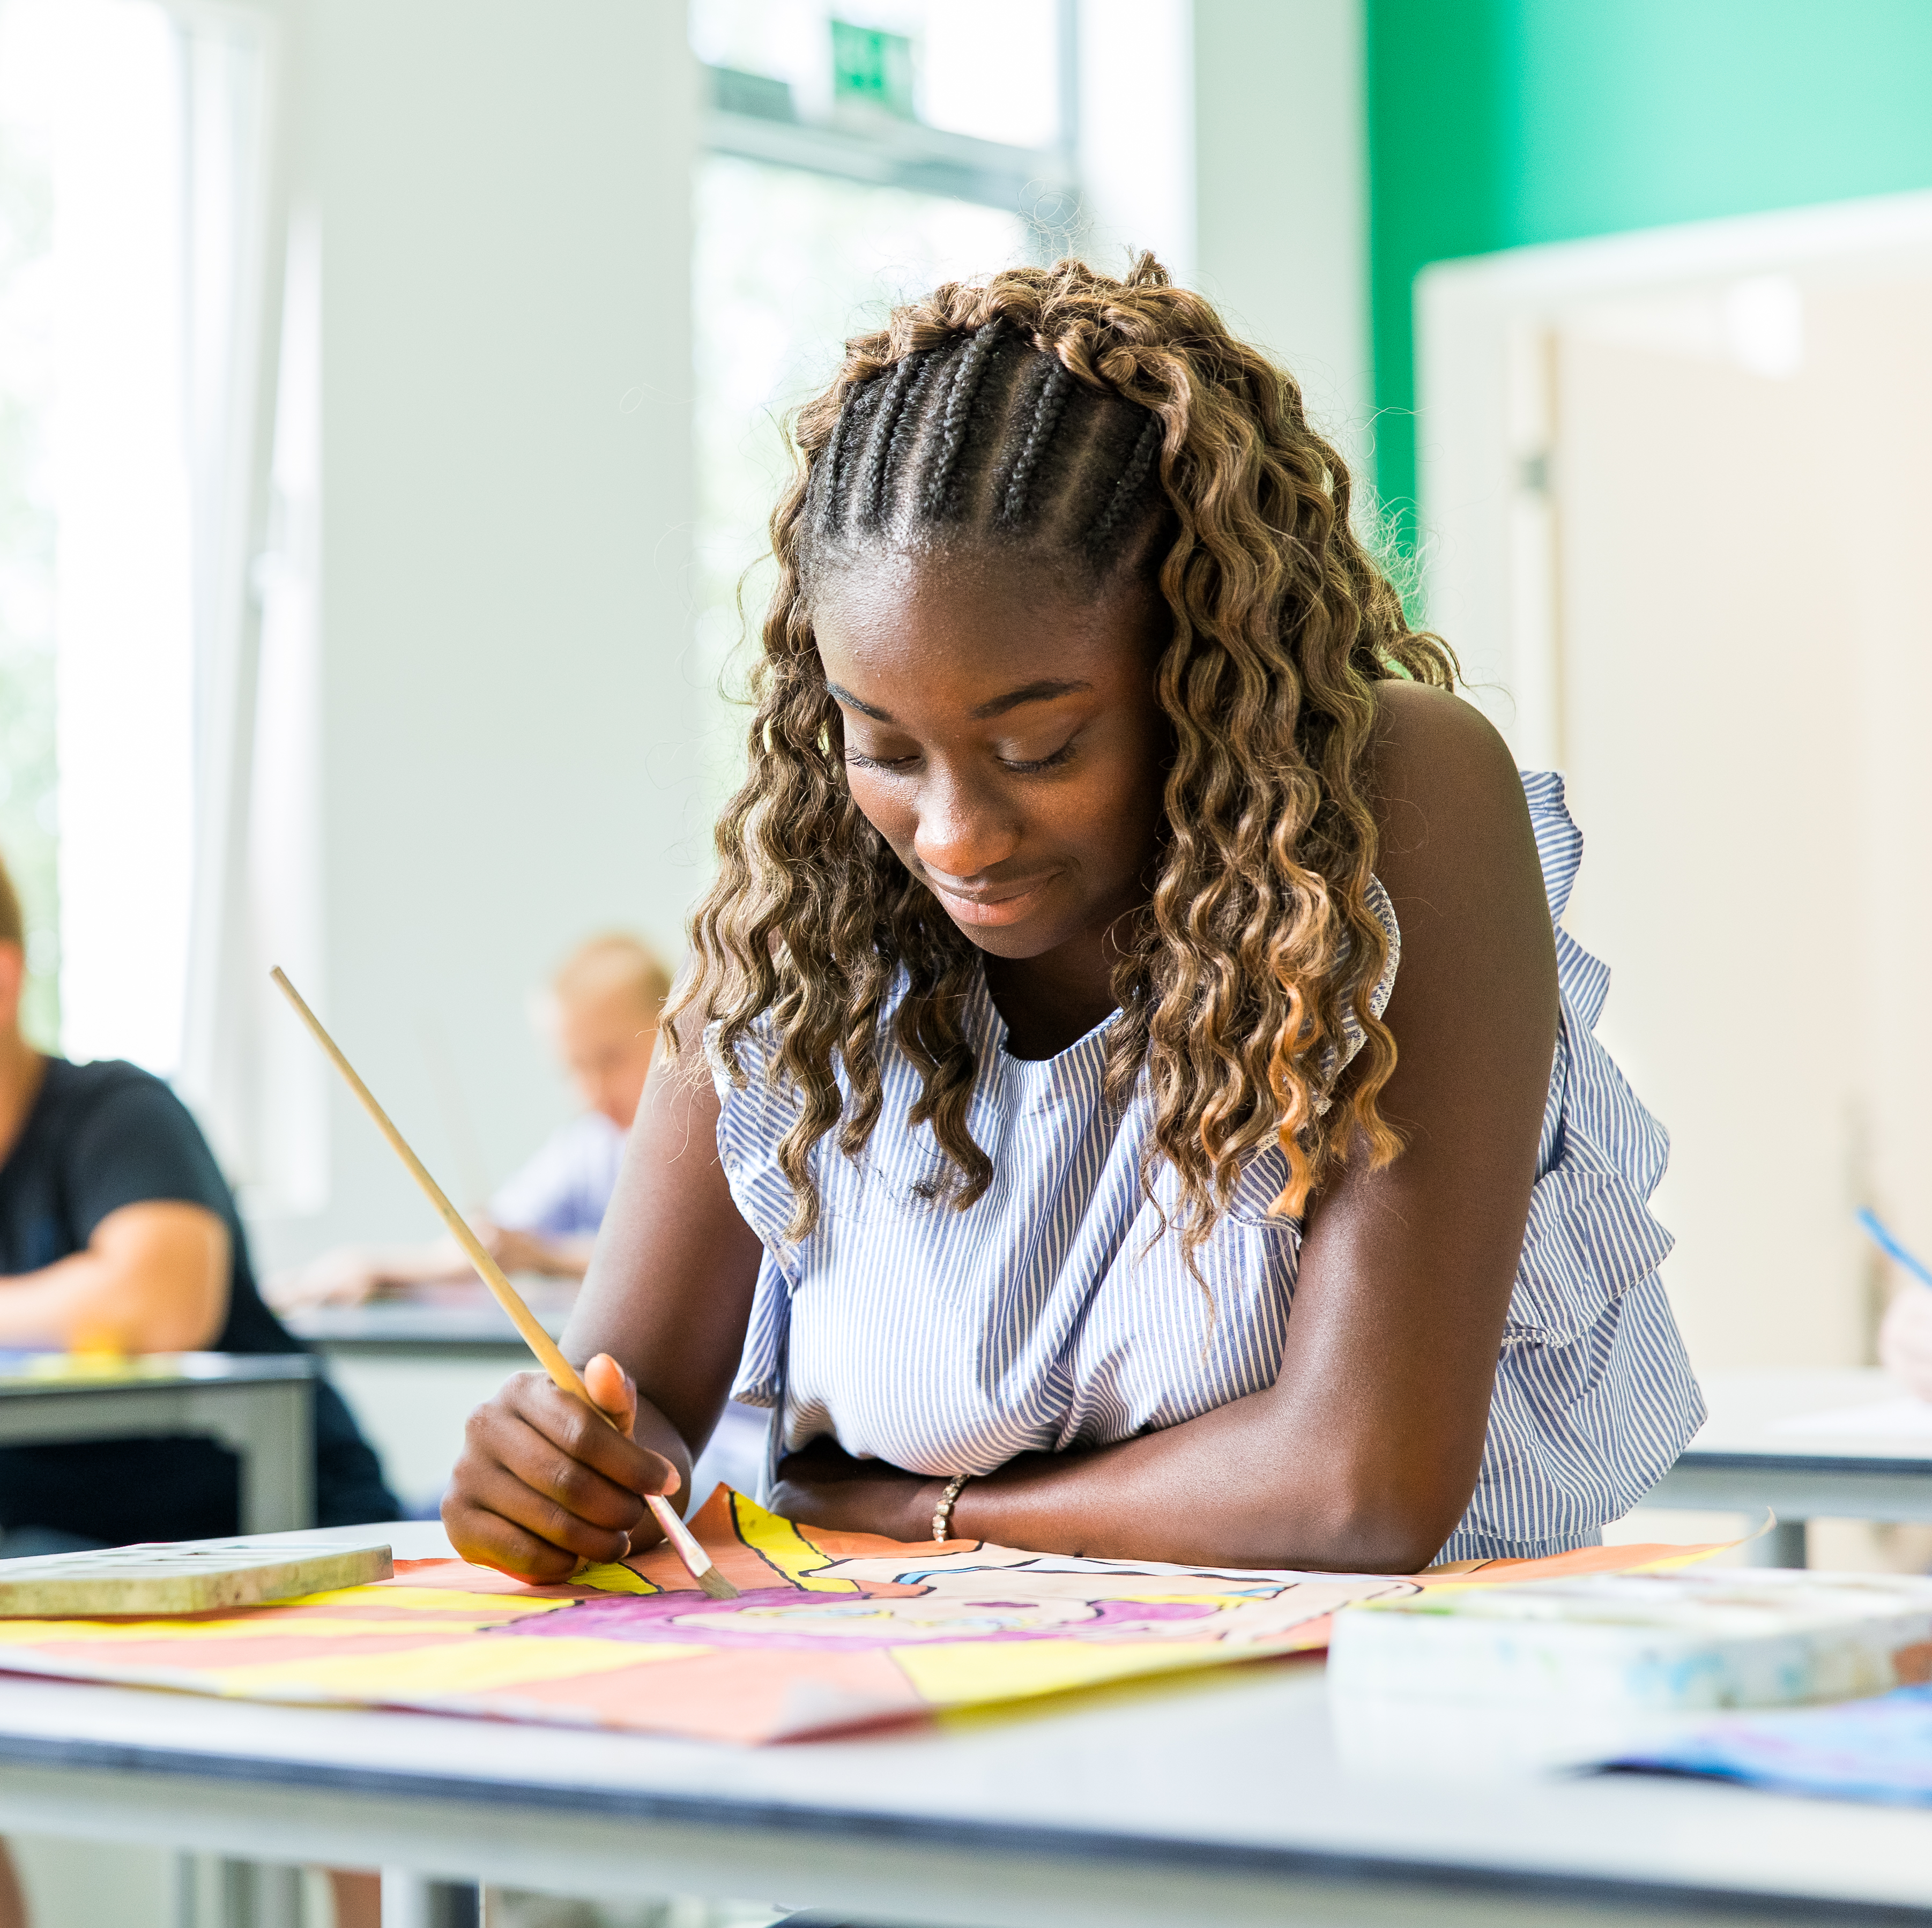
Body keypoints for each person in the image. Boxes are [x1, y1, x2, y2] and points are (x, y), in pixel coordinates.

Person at [447, 257, 1706, 1589]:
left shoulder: (1393, 798)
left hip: (1372, 1722)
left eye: (1039, 746)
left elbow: (1355, 1488)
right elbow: (629, 1411)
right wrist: (537, 1474)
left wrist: (911, 1508)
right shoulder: (804, 905)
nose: (951, 834)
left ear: (1202, 671)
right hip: (941, 1722)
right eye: (881, 747)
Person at [0, 807, 398, 1928]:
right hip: (70, 1560)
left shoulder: (116, 1114)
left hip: (293, 1532)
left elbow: (157, 1293)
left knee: (363, 1774)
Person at [274, 934, 668, 1307]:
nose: (590, 1090)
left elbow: (664, 1262)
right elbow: (496, 1242)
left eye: (610, 1058)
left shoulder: (706, 1143)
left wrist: (543, 1256)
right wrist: (376, 1267)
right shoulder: (590, 1147)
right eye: (572, 1068)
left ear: (671, 1031)